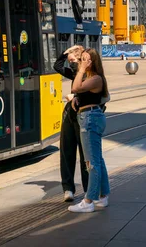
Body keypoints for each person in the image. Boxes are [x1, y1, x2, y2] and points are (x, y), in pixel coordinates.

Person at [68, 49, 110, 213]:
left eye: (85, 59)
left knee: (91, 162)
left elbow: (75, 87)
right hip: (90, 116)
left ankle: (88, 200)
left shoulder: (95, 78)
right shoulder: (93, 78)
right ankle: (103, 195)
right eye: (81, 59)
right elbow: (80, 92)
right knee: (98, 159)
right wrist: (78, 99)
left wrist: (81, 70)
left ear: (92, 62)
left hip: (90, 119)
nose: (82, 62)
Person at [54, 45, 89, 202]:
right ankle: (68, 188)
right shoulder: (73, 73)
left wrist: (75, 97)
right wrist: (66, 52)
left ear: (81, 59)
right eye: (69, 61)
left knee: (84, 155)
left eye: (73, 60)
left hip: (83, 115)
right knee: (66, 151)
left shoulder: (89, 75)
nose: (71, 64)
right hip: (70, 114)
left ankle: (89, 189)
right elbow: (57, 66)